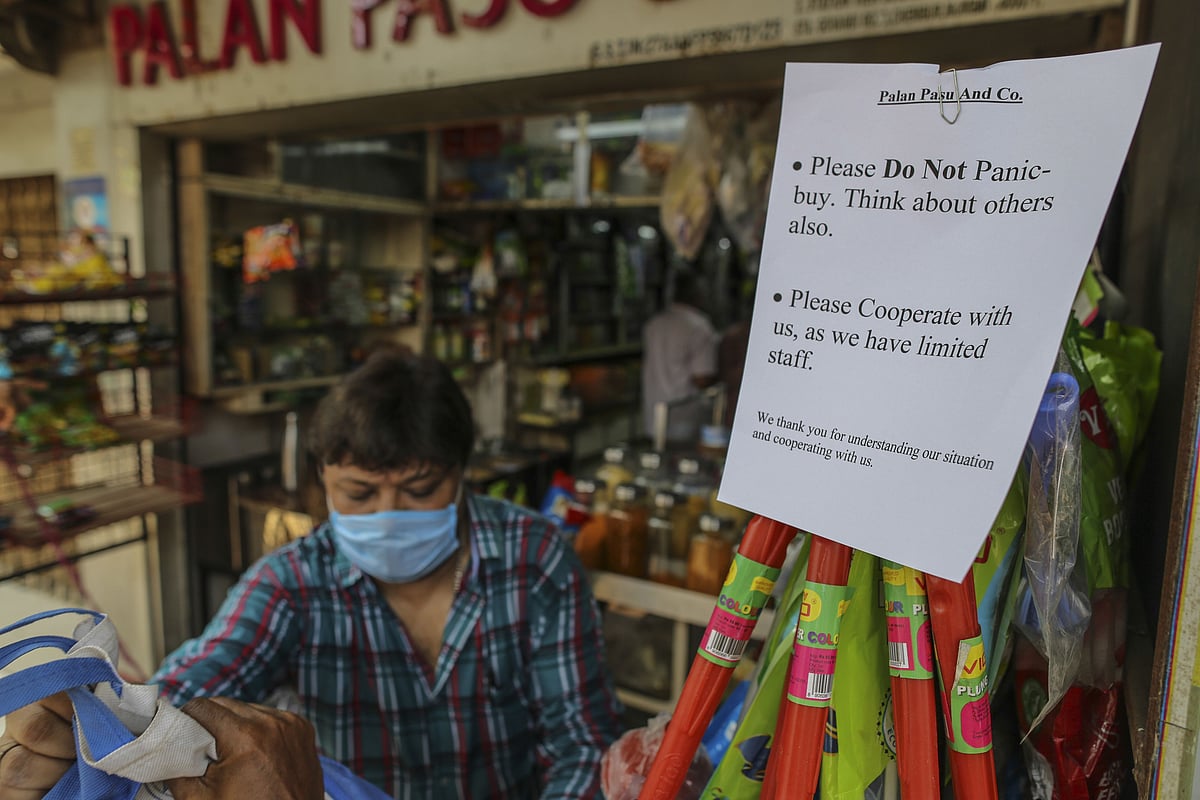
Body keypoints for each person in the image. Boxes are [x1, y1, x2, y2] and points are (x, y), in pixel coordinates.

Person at [0, 351, 623, 799]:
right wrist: (110, 732)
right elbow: (194, 686)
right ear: (322, 479)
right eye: (359, 493)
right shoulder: (293, 584)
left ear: (462, 475)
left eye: (420, 490)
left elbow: (582, 743)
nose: (388, 516)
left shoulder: (535, 559)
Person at [641, 270, 719, 445]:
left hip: (653, 415)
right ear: (698, 295)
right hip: (684, 418)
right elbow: (702, 379)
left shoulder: (654, 324)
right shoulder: (699, 327)